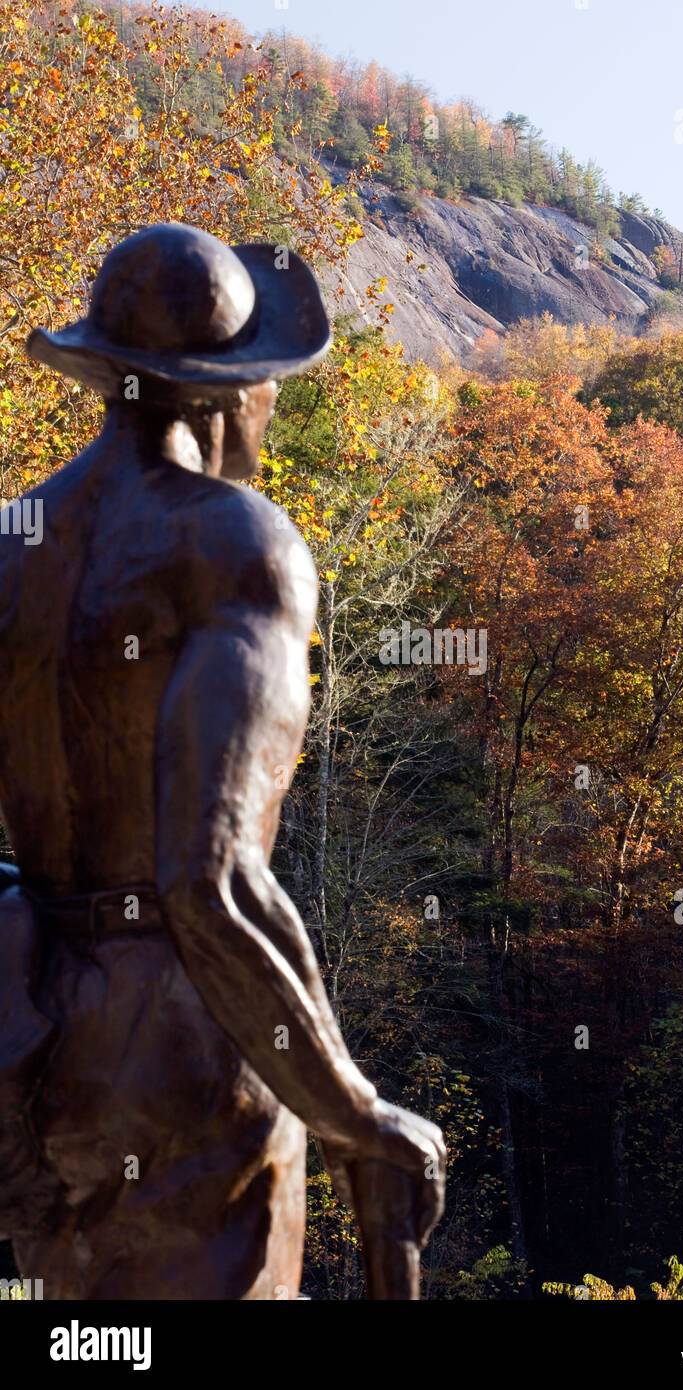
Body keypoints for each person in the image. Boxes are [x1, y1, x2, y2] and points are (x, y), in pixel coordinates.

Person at [0, 222, 444, 1299]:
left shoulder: (13, 541)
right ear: (210, 392)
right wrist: (352, 1110)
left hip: (37, 1041)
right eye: (264, 380)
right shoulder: (235, 544)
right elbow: (212, 882)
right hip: (184, 1044)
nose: (273, 402)